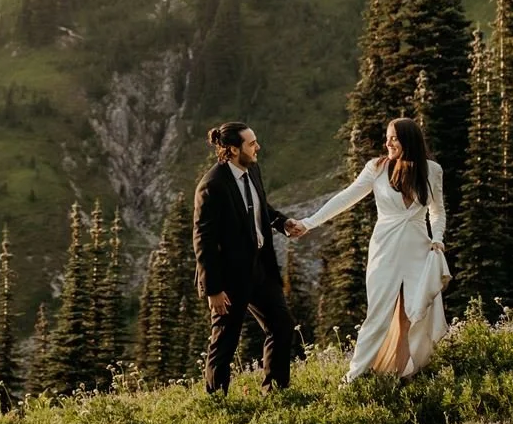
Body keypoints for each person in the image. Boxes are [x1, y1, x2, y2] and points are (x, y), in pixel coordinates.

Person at [293, 116, 449, 381]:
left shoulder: (432, 170)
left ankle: (408, 371)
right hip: (384, 249)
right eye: (387, 137)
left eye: (393, 137)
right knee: (378, 312)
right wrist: (308, 223)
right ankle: (355, 375)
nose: (387, 142)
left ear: (408, 140)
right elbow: (346, 197)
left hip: (419, 250)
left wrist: (438, 238)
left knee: (414, 312)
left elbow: (437, 211)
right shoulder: (376, 168)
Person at [192, 121, 308, 393]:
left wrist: (281, 223)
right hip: (228, 277)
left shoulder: (251, 170)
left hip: (260, 268)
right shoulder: (211, 186)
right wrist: (213, 289)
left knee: (282, 324)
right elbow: (203, 240)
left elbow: (259, 206)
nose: (258, 147)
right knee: (226, 339)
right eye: (251, 143)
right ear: (232, 150)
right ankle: (216, 399)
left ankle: (276, 391)